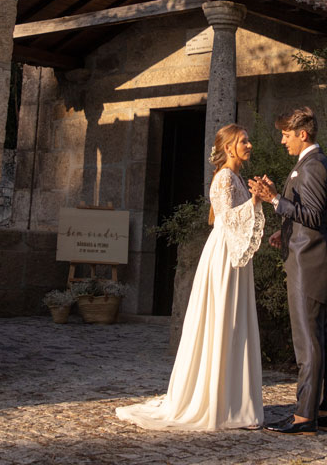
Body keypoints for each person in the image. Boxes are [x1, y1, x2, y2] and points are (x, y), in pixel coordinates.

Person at [116, 123, 266, 430]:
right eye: (243, 141)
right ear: (229, 148)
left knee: (235, 321)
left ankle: (234, 401)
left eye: (248, 141)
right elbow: (226, 219)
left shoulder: (236, 176)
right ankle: (218, 402)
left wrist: (254, 199)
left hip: (234, 254)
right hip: (224, 254)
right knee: (224, 320)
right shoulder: (224, 176)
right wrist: (255, 202)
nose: (249, 145)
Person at [249, 107, 327, 435]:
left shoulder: (312, 167)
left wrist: (274, 199)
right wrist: (284, 230)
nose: (282, 139)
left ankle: (304, 417)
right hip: (312, 258)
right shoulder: (314, 164)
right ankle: (325, 411)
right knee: (321, 340)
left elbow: (315, 216)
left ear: (303, 134)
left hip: (308, 265)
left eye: (286, 134)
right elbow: (319, 219)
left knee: (309, 343)